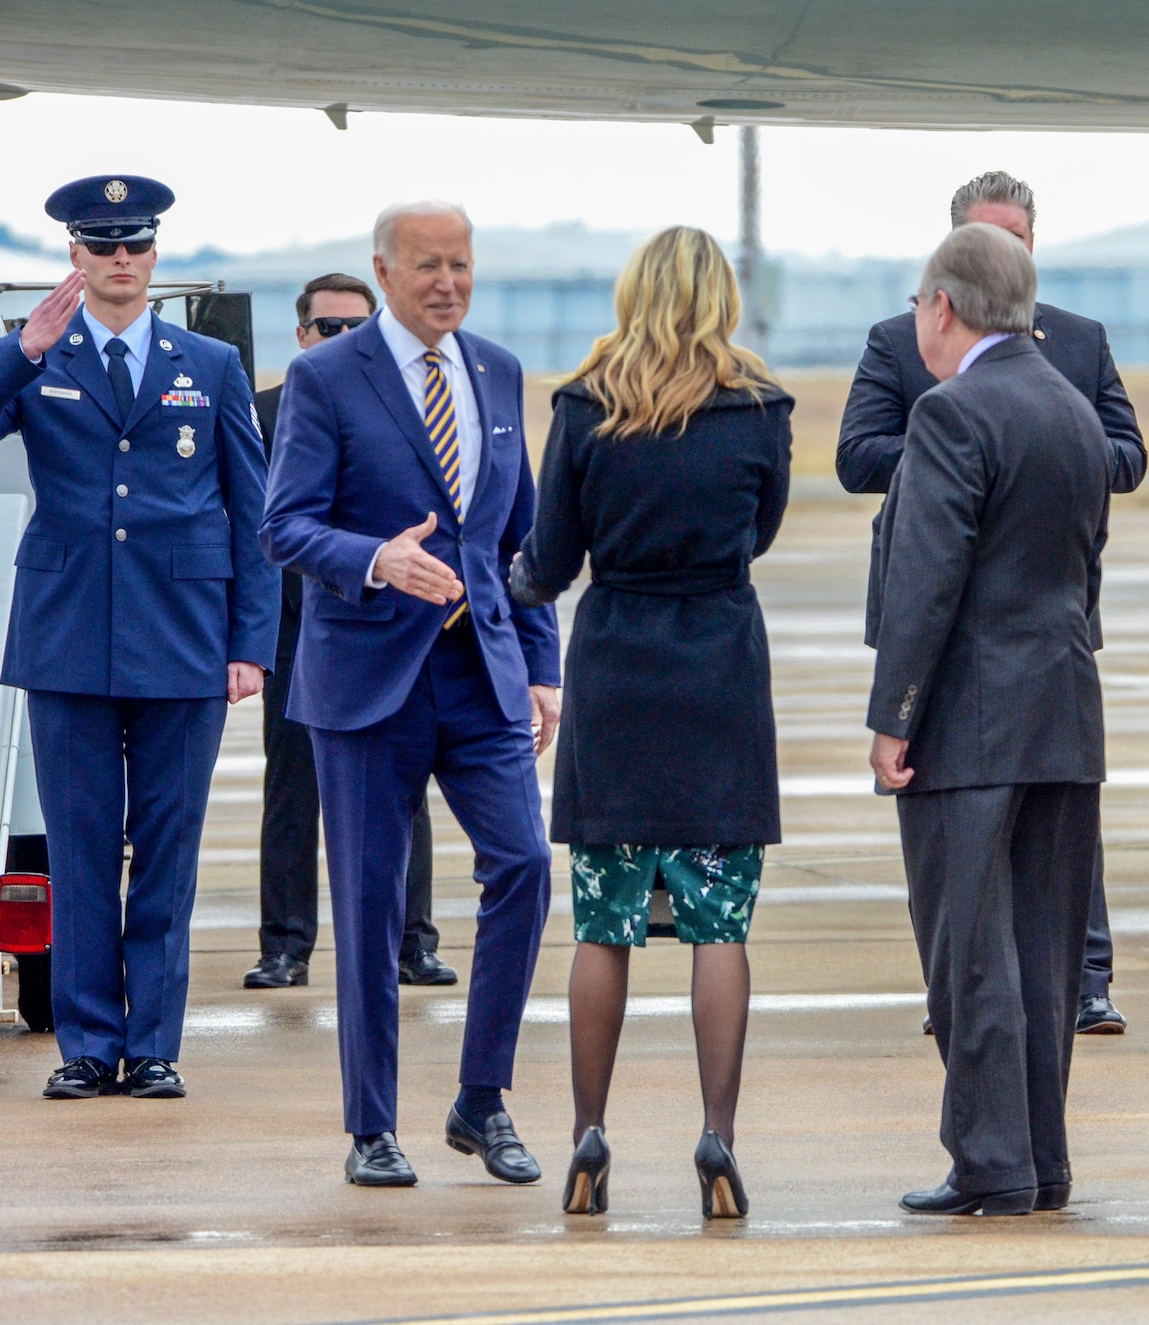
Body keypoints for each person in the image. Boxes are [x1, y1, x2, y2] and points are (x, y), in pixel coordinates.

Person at [261, 201, 561, 1188]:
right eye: (428, 265)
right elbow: (286, 526)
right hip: (365, 682)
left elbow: (520, 547)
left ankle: (481, 1098)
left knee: (522, 866)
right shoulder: (322, 379)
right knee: (371, 905)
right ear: (384, 272)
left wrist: (545, 666)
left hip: (482, 674)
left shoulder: (499, 372)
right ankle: (371, 1124)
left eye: (461, 264)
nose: (447, 282)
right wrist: (376, 560)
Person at [511, 226, 791, 1221]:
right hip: (717, 662)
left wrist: (507, 581)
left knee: (603, 920)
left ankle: (589, 1132)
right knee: (719, 922)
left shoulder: (585, 407)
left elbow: (549, 558)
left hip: (618, 663)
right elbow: (760, 530)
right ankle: (716, 1131)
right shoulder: (759, 407)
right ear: (721, 297)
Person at [0, 176, 276, 1101]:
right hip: (69, 633)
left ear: (154, 257)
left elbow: (248, 509)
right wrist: (17, 352)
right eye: (101, 245)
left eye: (134, 245)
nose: (118, 260)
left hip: (183, 635)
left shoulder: (211, 364)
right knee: (78, 844)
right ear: (73, 255)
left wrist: (250, 642)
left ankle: (151, 1044)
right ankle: (86, 1042)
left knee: (166, 848)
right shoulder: (37, 355)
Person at [840, 170, 1141, 1036]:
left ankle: (1083, 976)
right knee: (965, 837)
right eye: (986, 238)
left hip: (1049, 613)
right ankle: (972, 993)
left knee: (1057, 822)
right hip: (945, 618)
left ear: (1035, 246)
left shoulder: (1077, 343)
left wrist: (1020, 448)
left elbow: (1127, 450)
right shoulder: (901, 341)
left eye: (1017, 238)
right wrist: (969, 450)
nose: (1004, 253)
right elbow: (857, 454)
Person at [869, 222, 1110, 1217]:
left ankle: (988, 1163)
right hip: (1061, 709)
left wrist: (896, 713)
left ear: (941, 306)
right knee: (1046, 956)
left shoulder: (950, 411)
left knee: (968, 951)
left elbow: (926, 580)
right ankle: (1039, 1158)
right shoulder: (1069, 405)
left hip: (969, 721)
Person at [246, 273, 450, 991]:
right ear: (301, 336)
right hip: (298, 627)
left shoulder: (414, 405)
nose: (340, 339)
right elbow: (249, 527)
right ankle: (285, 946)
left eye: (355, 326)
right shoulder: (261, 412)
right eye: (327, 328)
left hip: (392, 627)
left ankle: (413, 940)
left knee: (403, 787)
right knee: (294, 789)